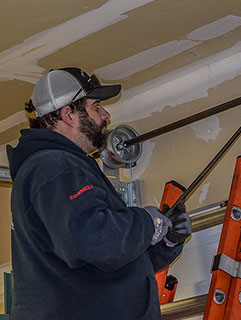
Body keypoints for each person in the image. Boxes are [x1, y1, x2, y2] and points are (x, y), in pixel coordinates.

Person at [6, 67, 192, 320]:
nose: (106, 114)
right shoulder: (54, 166)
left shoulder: (58, 167)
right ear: (68, 114)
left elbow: (108, 259)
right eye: (96, 107)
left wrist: (167, 241)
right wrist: (146, 222)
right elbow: (95, 242)